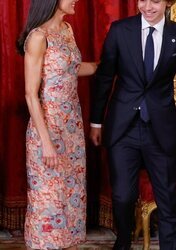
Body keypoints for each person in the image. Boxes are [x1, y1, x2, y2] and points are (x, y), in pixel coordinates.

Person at [90, 0, 176, 249]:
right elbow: (104, 78)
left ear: (168, 3)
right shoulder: (120, 30)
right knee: (122, 195)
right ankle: (123, 242)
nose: (147, 6)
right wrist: (96, 122)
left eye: (155, 0)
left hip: (160, 129)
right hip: (123, 128)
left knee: (167, 198)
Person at [16, 0, 97, 249]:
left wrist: (104, 67)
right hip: (47, 128)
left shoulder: (66, 30)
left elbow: (71, 69)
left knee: (70, 198)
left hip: (71, 128)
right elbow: (31, 94)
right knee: (48, 202)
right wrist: (47, 143)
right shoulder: (37, 37)